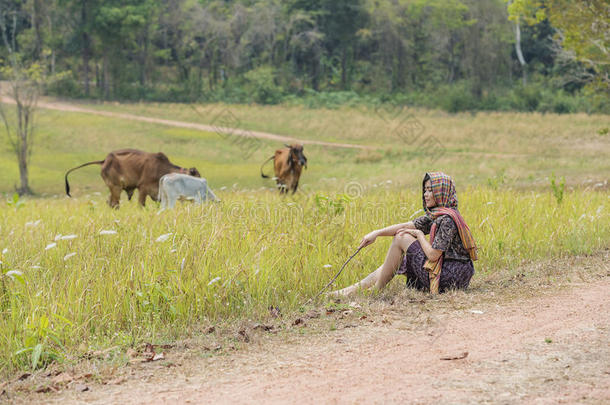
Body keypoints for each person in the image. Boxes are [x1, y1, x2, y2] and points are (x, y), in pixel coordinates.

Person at [331, 172, 477, 296]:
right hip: (449, 272)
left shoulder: (447, 220)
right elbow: (407, 225)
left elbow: (433, 255)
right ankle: (351, 290)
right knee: (397, 256)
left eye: (430, 190)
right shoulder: (439, 214)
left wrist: (419, 235)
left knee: (401, 237)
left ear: (441, 192)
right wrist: (376, 233)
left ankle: (376, 291)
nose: (426, 194)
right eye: (425, 190)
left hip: (450, 277)